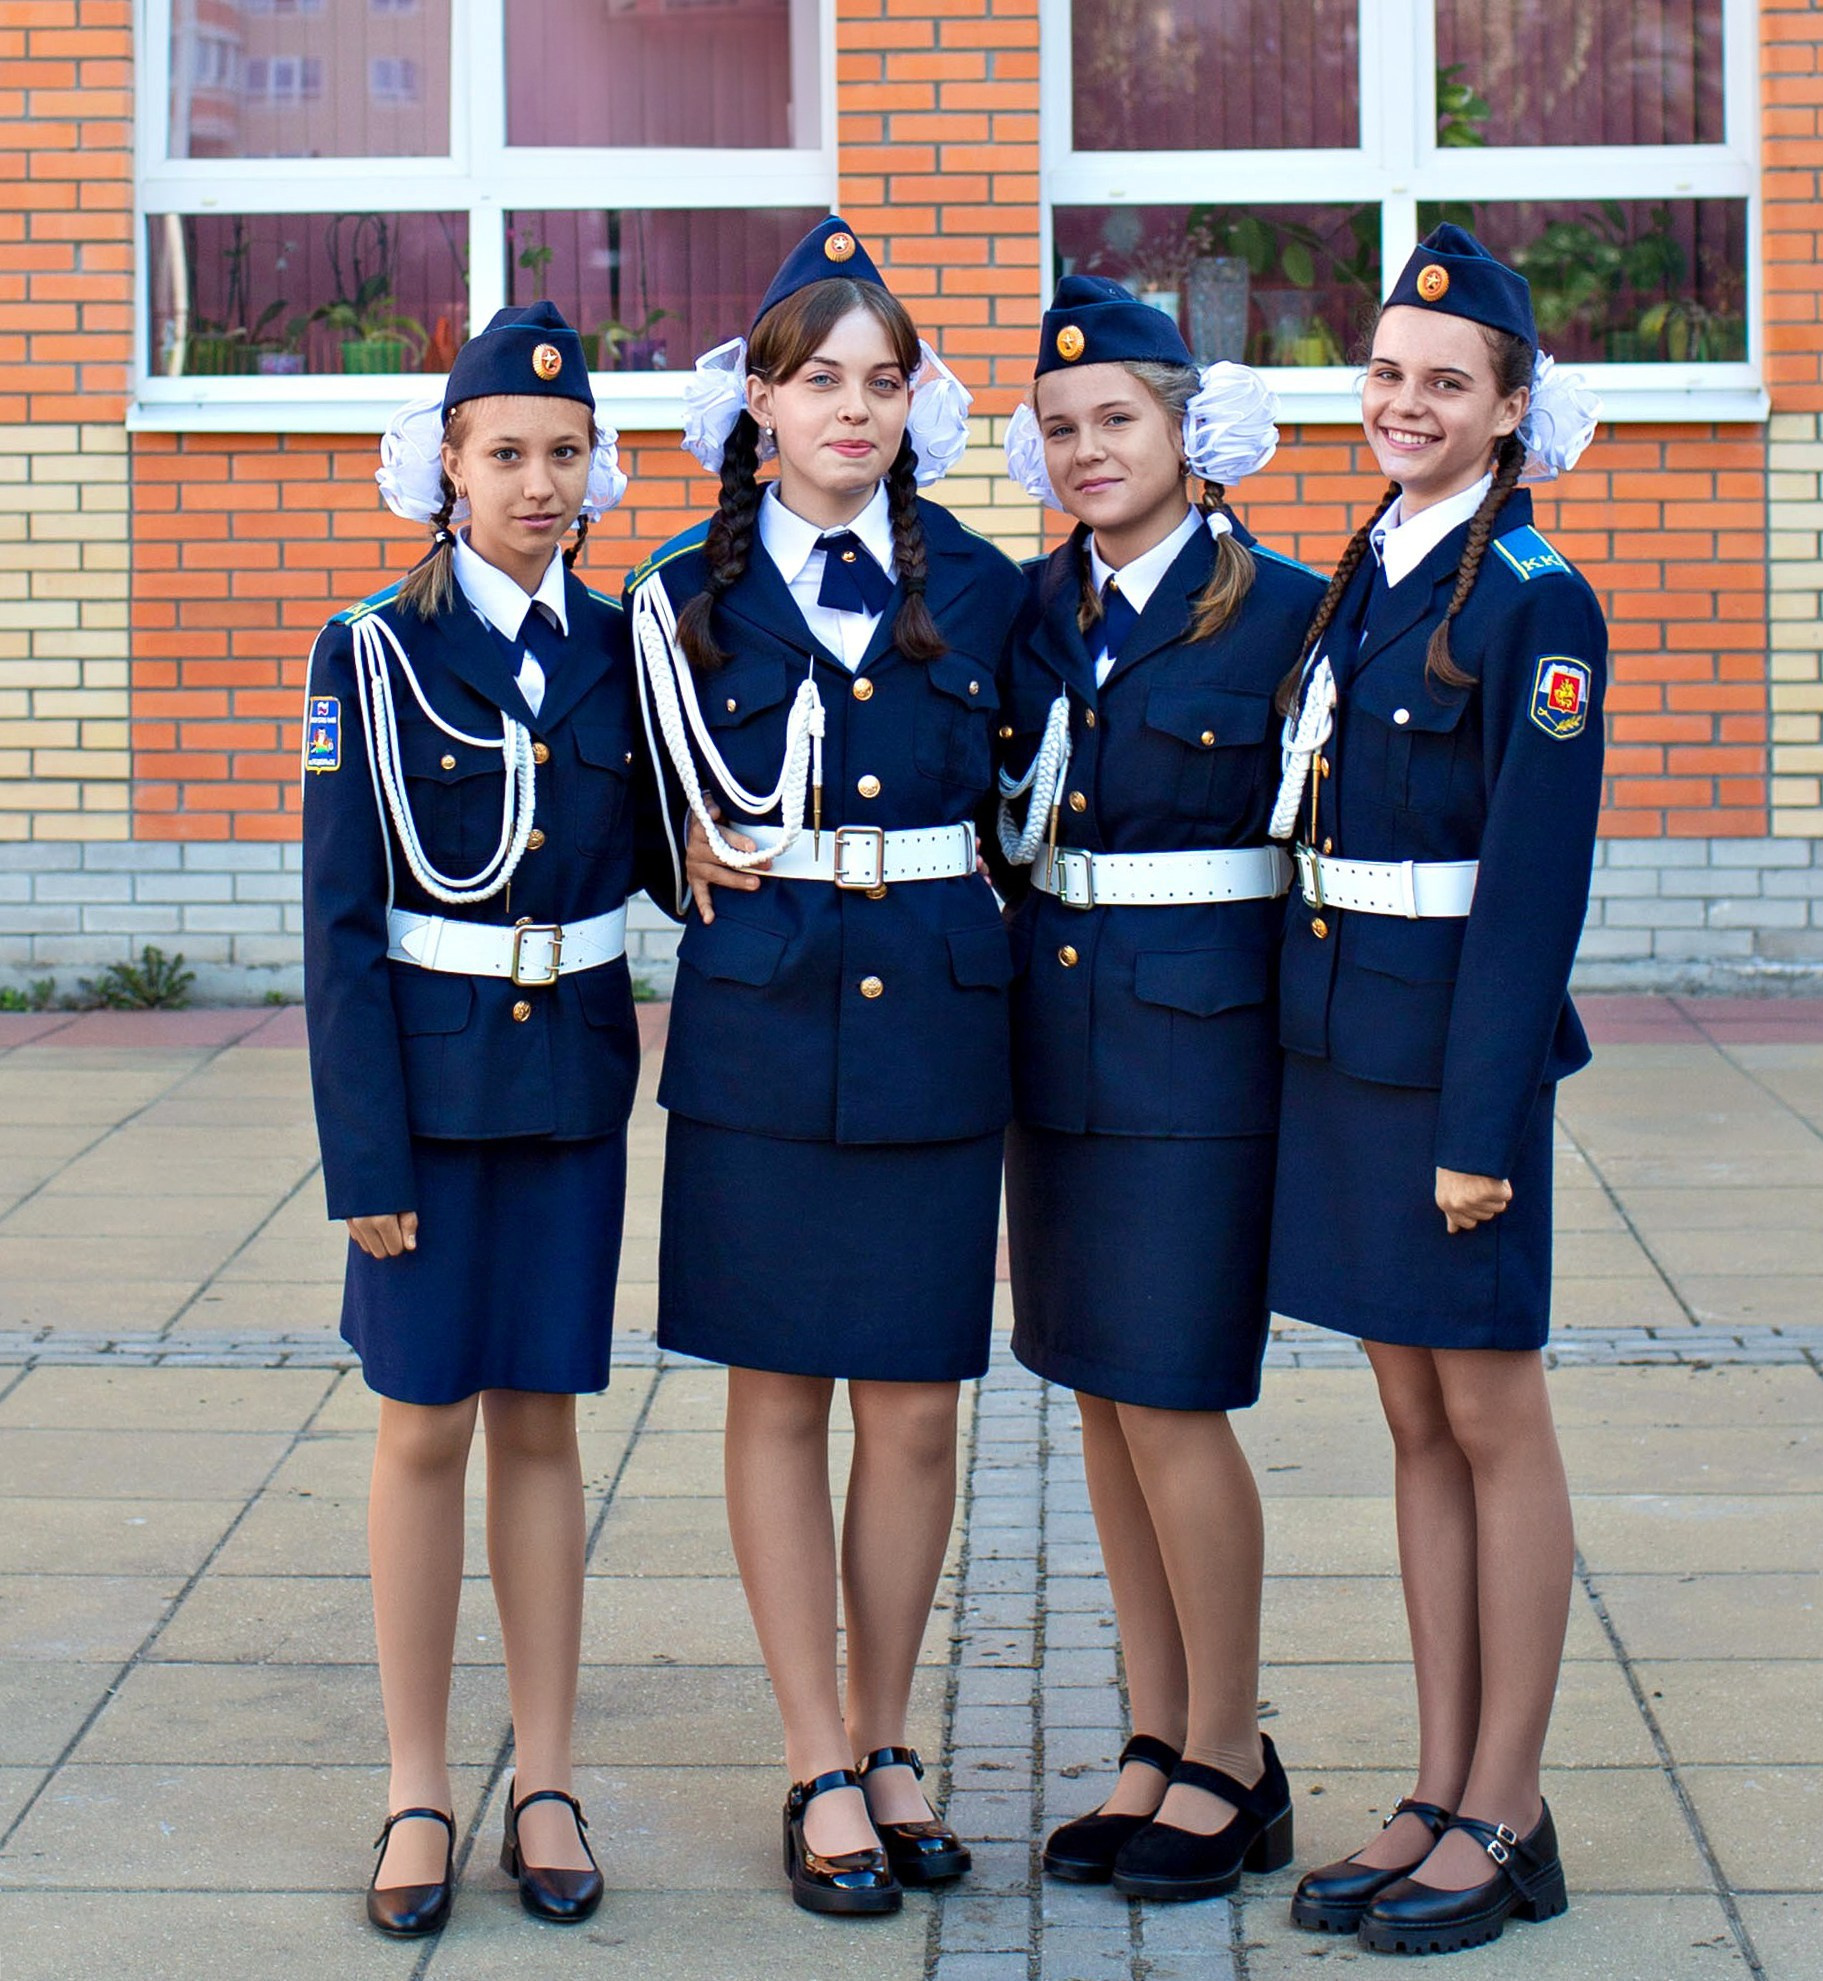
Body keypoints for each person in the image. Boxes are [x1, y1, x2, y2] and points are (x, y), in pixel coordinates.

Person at [623, 217, 1023, 1917]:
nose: (851, 409)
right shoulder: (673, 595)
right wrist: (677, 854)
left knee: (916, 1403)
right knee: (777, 1392)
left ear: (915, 402)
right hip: (762, 1027)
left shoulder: (991, 587)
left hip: (935, 1018)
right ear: (760, 402)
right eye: (818, 380)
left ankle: (889, 1734)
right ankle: (813, 1757)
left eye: (882, 381)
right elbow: (618, 803)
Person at [1267, 225, 1605, 1956]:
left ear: (1509, 406)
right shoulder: (1373, 565)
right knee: (1411, 1420)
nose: (1405, 403)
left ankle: (1509, 1807)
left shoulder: (1537, 595)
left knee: (1490, 1416)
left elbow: (1532, 891)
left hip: (1455, 1071)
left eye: (1446, 383)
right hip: (1352, 1048)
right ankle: (1436, 1779)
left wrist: (1482, 1128)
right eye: (1389, 373)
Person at [303, 302, 659, 1936]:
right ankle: (416, 1782)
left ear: (596, 469)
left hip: (570, 1081)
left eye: (564, 452)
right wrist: (362, 1153)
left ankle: (550, 1779)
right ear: (446, 462)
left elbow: (671, 843)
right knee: (422, 1424)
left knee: (541, 1423)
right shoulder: (374, 650)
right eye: (505, 451)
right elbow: (338, 920)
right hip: (430, 1098)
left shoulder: (626, 646)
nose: (537, 482)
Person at [993, 276, 1321, 1902]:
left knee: (1176, 1401)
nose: (1085, 450)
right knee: (1101, 1399)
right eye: (1058, 427)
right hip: (1055, 1044)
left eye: (1114, 418)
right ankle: (1154, 1731)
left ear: (1191, 433)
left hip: (1203, 1050)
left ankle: (1232, 1754)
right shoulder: (1026, 609)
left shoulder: (1287, 610)